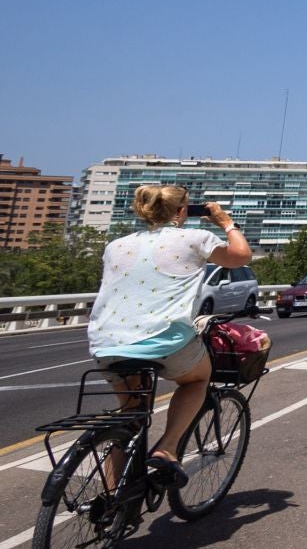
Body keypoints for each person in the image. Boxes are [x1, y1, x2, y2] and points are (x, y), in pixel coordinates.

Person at [86, 183, 252, 482]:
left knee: (131, 416)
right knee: (198, 378)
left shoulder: (115, 245)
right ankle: (168, 449)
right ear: (181, 211)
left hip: (106, 341)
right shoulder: (195, 238)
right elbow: (241, 256)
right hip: (163, 337)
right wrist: (226, 222)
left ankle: (111, 503)